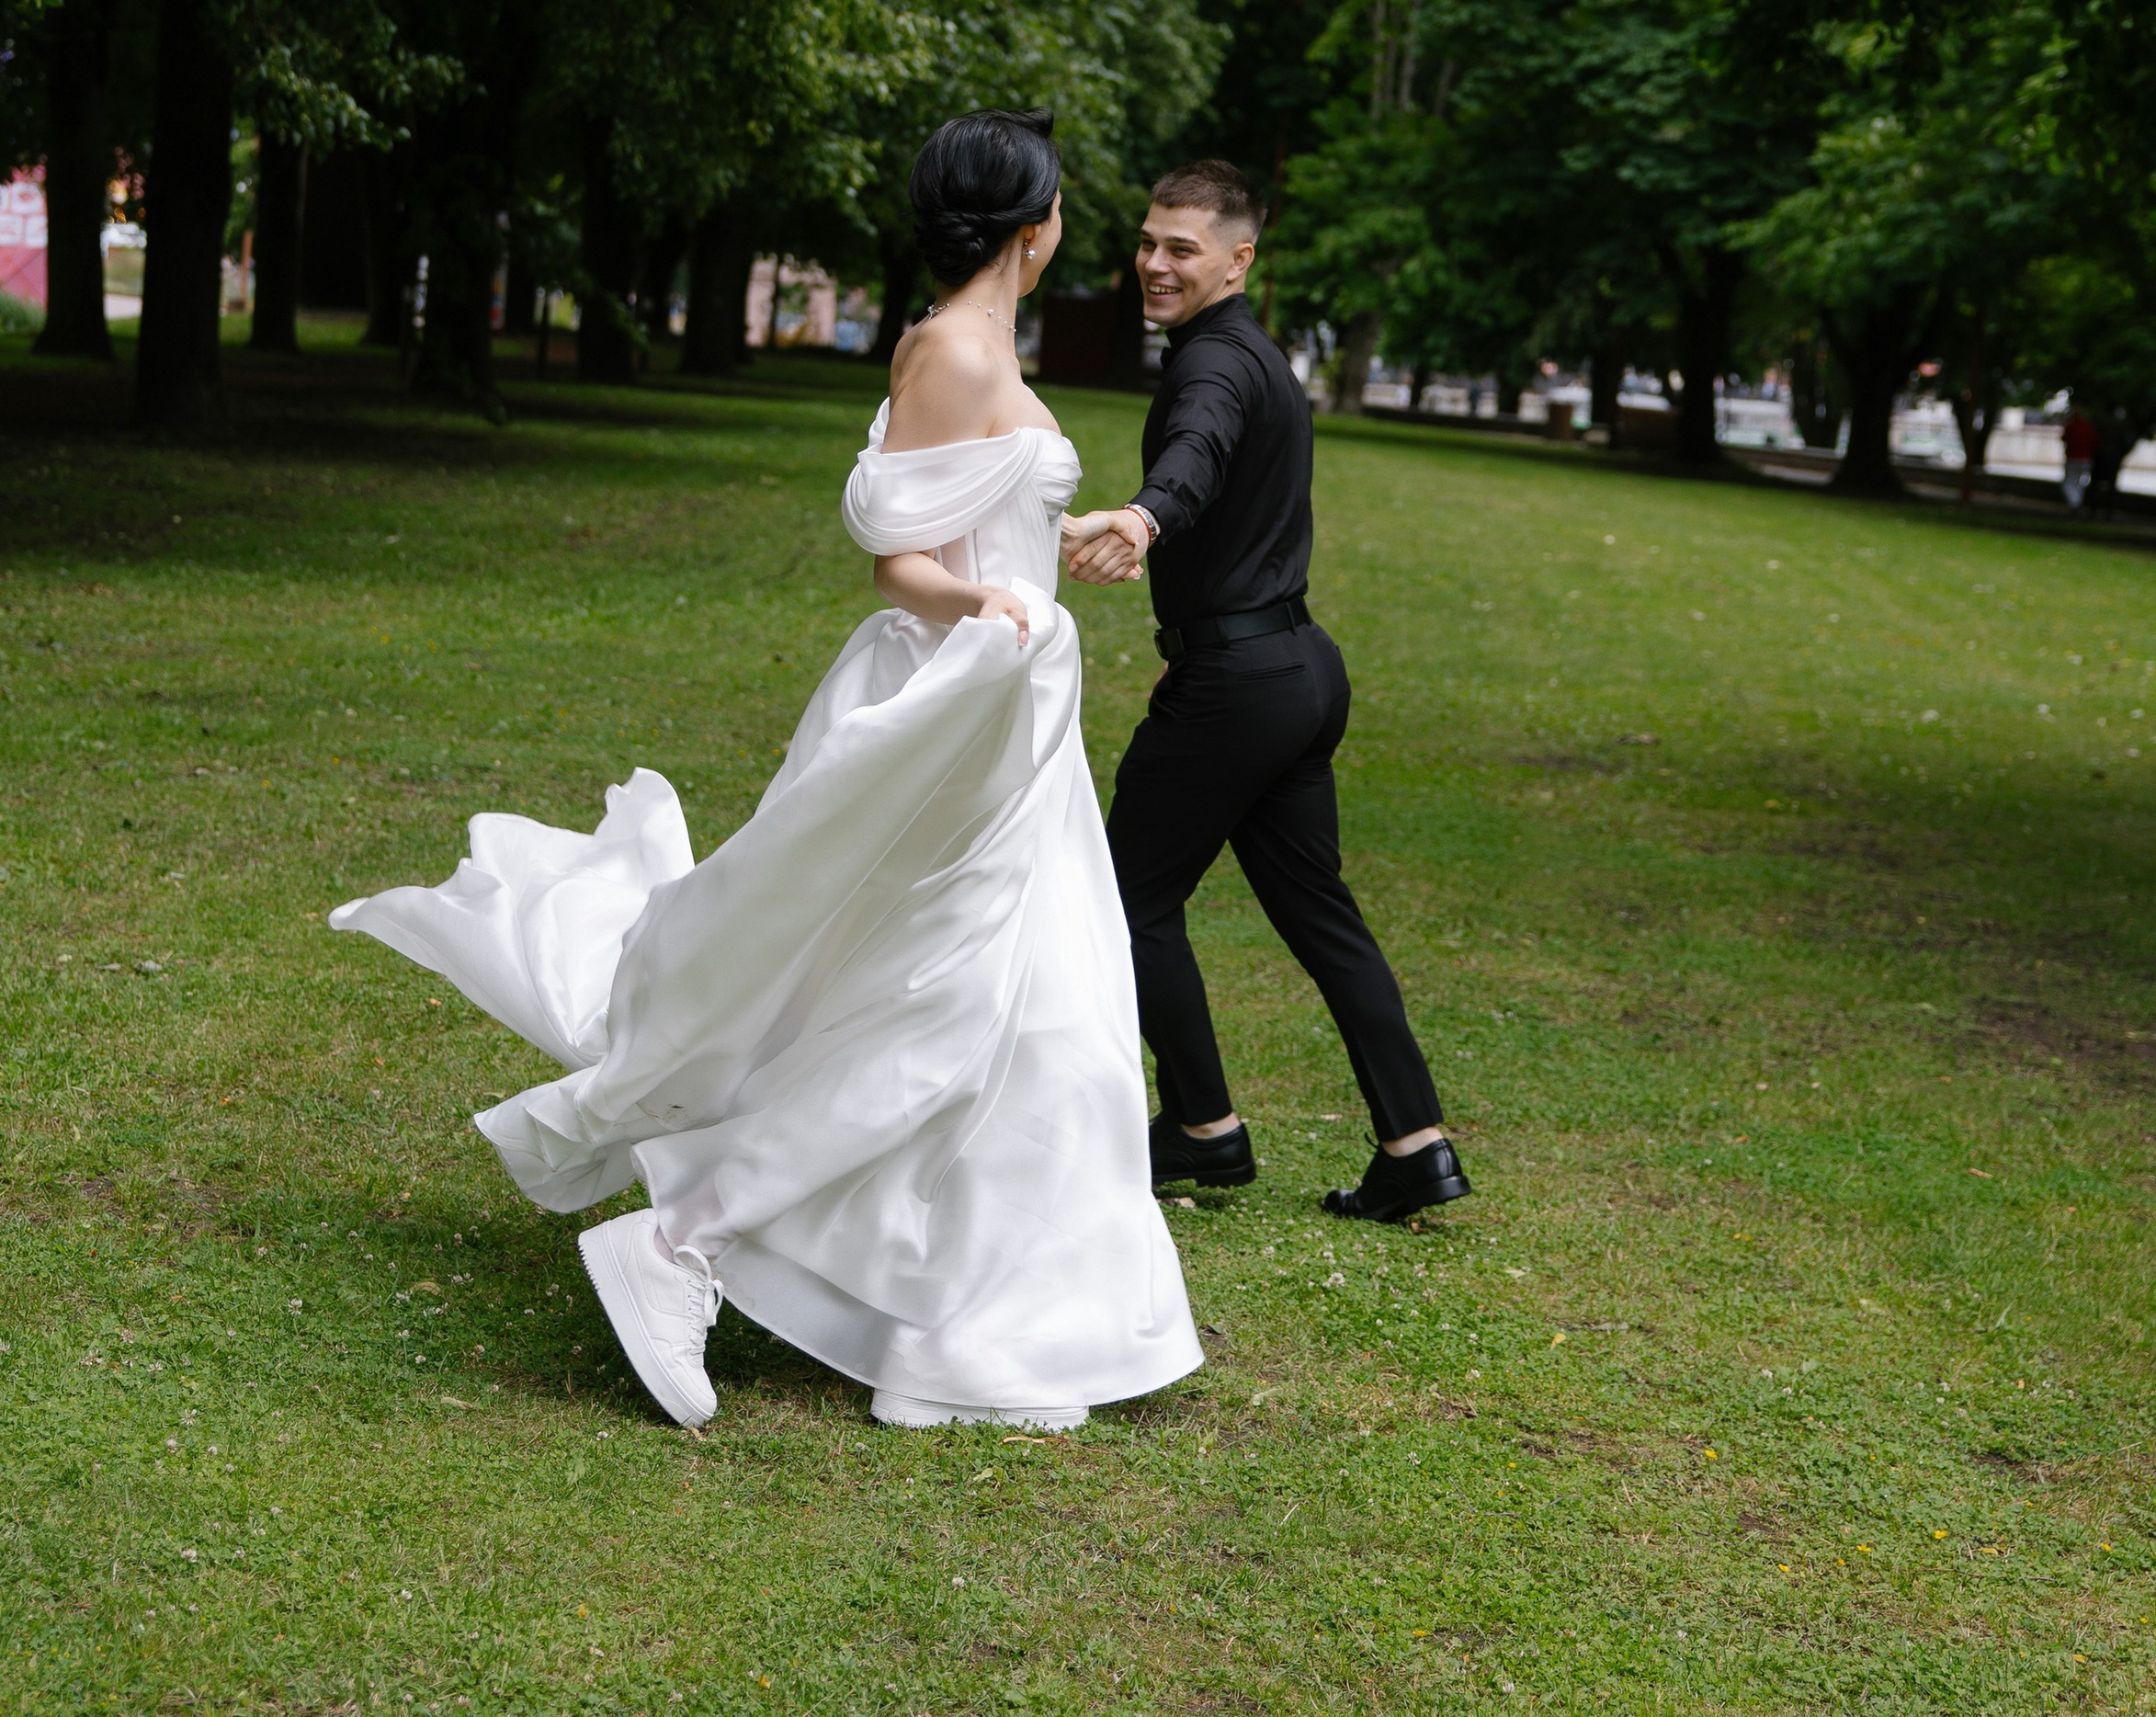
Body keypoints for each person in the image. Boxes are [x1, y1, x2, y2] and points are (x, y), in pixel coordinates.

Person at [331, 112, 1198, 1433]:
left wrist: (1042, 550)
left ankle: (959, 1316)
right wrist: (993, 609)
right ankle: (686, 1245)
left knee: (1030, 1011)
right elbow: (897, 560)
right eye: (1068, 206)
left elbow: (958, 521)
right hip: (963, 711)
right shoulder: (956, 351)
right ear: (1035, 226)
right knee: (947, 1003)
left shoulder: (970, 346)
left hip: (1011, 716)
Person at [1062, 159, 1470, 1225]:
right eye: (1148, 240)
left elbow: (1194, 453)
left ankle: (1204, 1126)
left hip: (1241, 683)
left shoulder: (1212, 363)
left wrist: (1143, 518)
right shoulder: (1253, 355)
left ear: (1239, 258)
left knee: (1124, 899)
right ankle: (1414, 1145)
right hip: (1294, 669)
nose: (1153, 262)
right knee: (1320, 917)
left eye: (1180, 247)